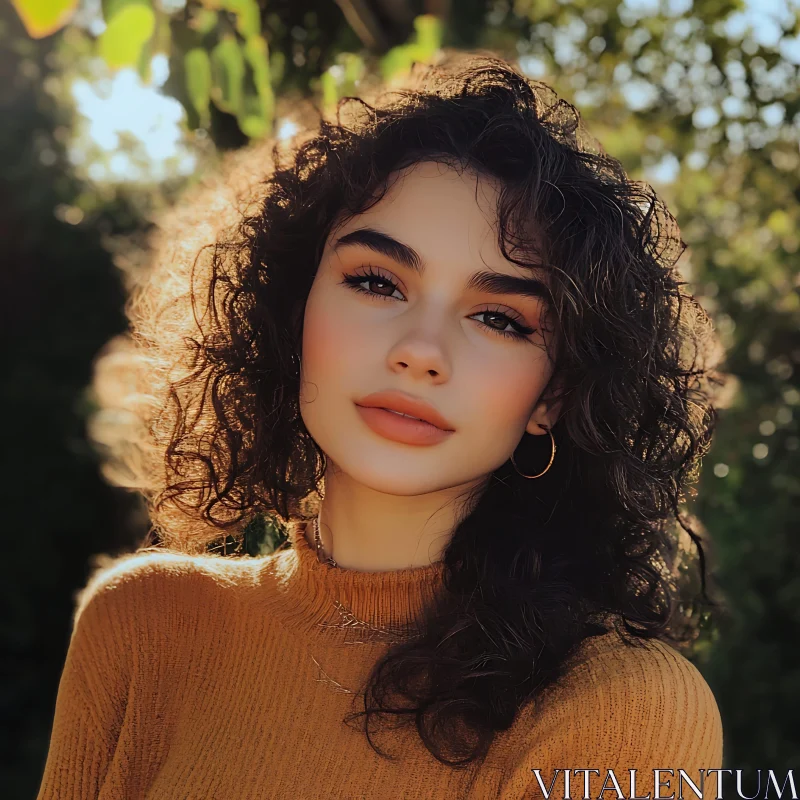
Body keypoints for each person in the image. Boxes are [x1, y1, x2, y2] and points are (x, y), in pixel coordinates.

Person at [37, 52, 725, 799]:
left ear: (552, 395)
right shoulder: (139, 627)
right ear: (294, 308)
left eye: (499, 318)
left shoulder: (626, 710)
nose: (421, 353)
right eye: (376, 282)